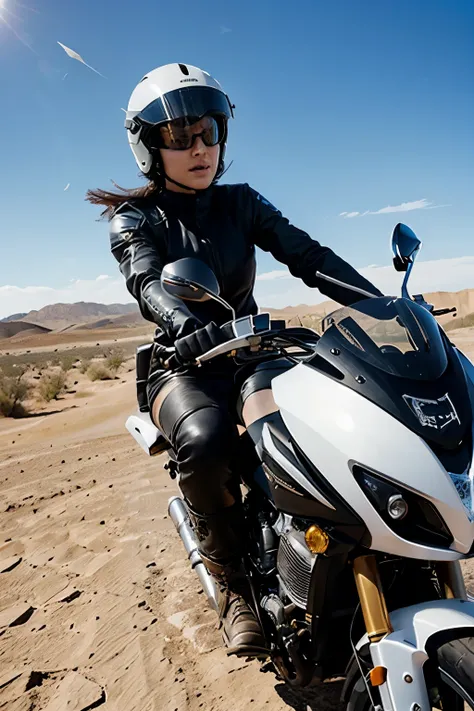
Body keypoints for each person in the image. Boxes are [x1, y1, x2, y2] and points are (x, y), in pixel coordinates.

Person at [86, 62, 382, 658]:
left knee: (303, 438)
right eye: (179, 135)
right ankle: (231, 581)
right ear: (148, 145)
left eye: (210, 131)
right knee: (208, 438)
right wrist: (186, 324)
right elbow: (147, 281)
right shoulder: (135, 218)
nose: (200, 147)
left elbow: (308, 254)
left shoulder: (241, 203)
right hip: (184, 364)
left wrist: (379, 304)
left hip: (252, 356)